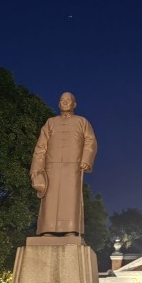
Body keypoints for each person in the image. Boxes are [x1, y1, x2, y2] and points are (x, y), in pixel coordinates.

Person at [30, 92, 97, 236]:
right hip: (51, 166)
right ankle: (46, 229)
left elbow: (90, 141)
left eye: (68, 100)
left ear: (74, 104)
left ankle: (71, 229)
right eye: (62, 100)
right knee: (50, 200)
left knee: (70, 198)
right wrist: (36, 170)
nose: (65, 102)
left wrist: (85, 159)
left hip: (73, 166)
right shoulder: (50, 122)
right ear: (59, 104)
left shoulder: (82, 121)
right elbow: (40, 147)